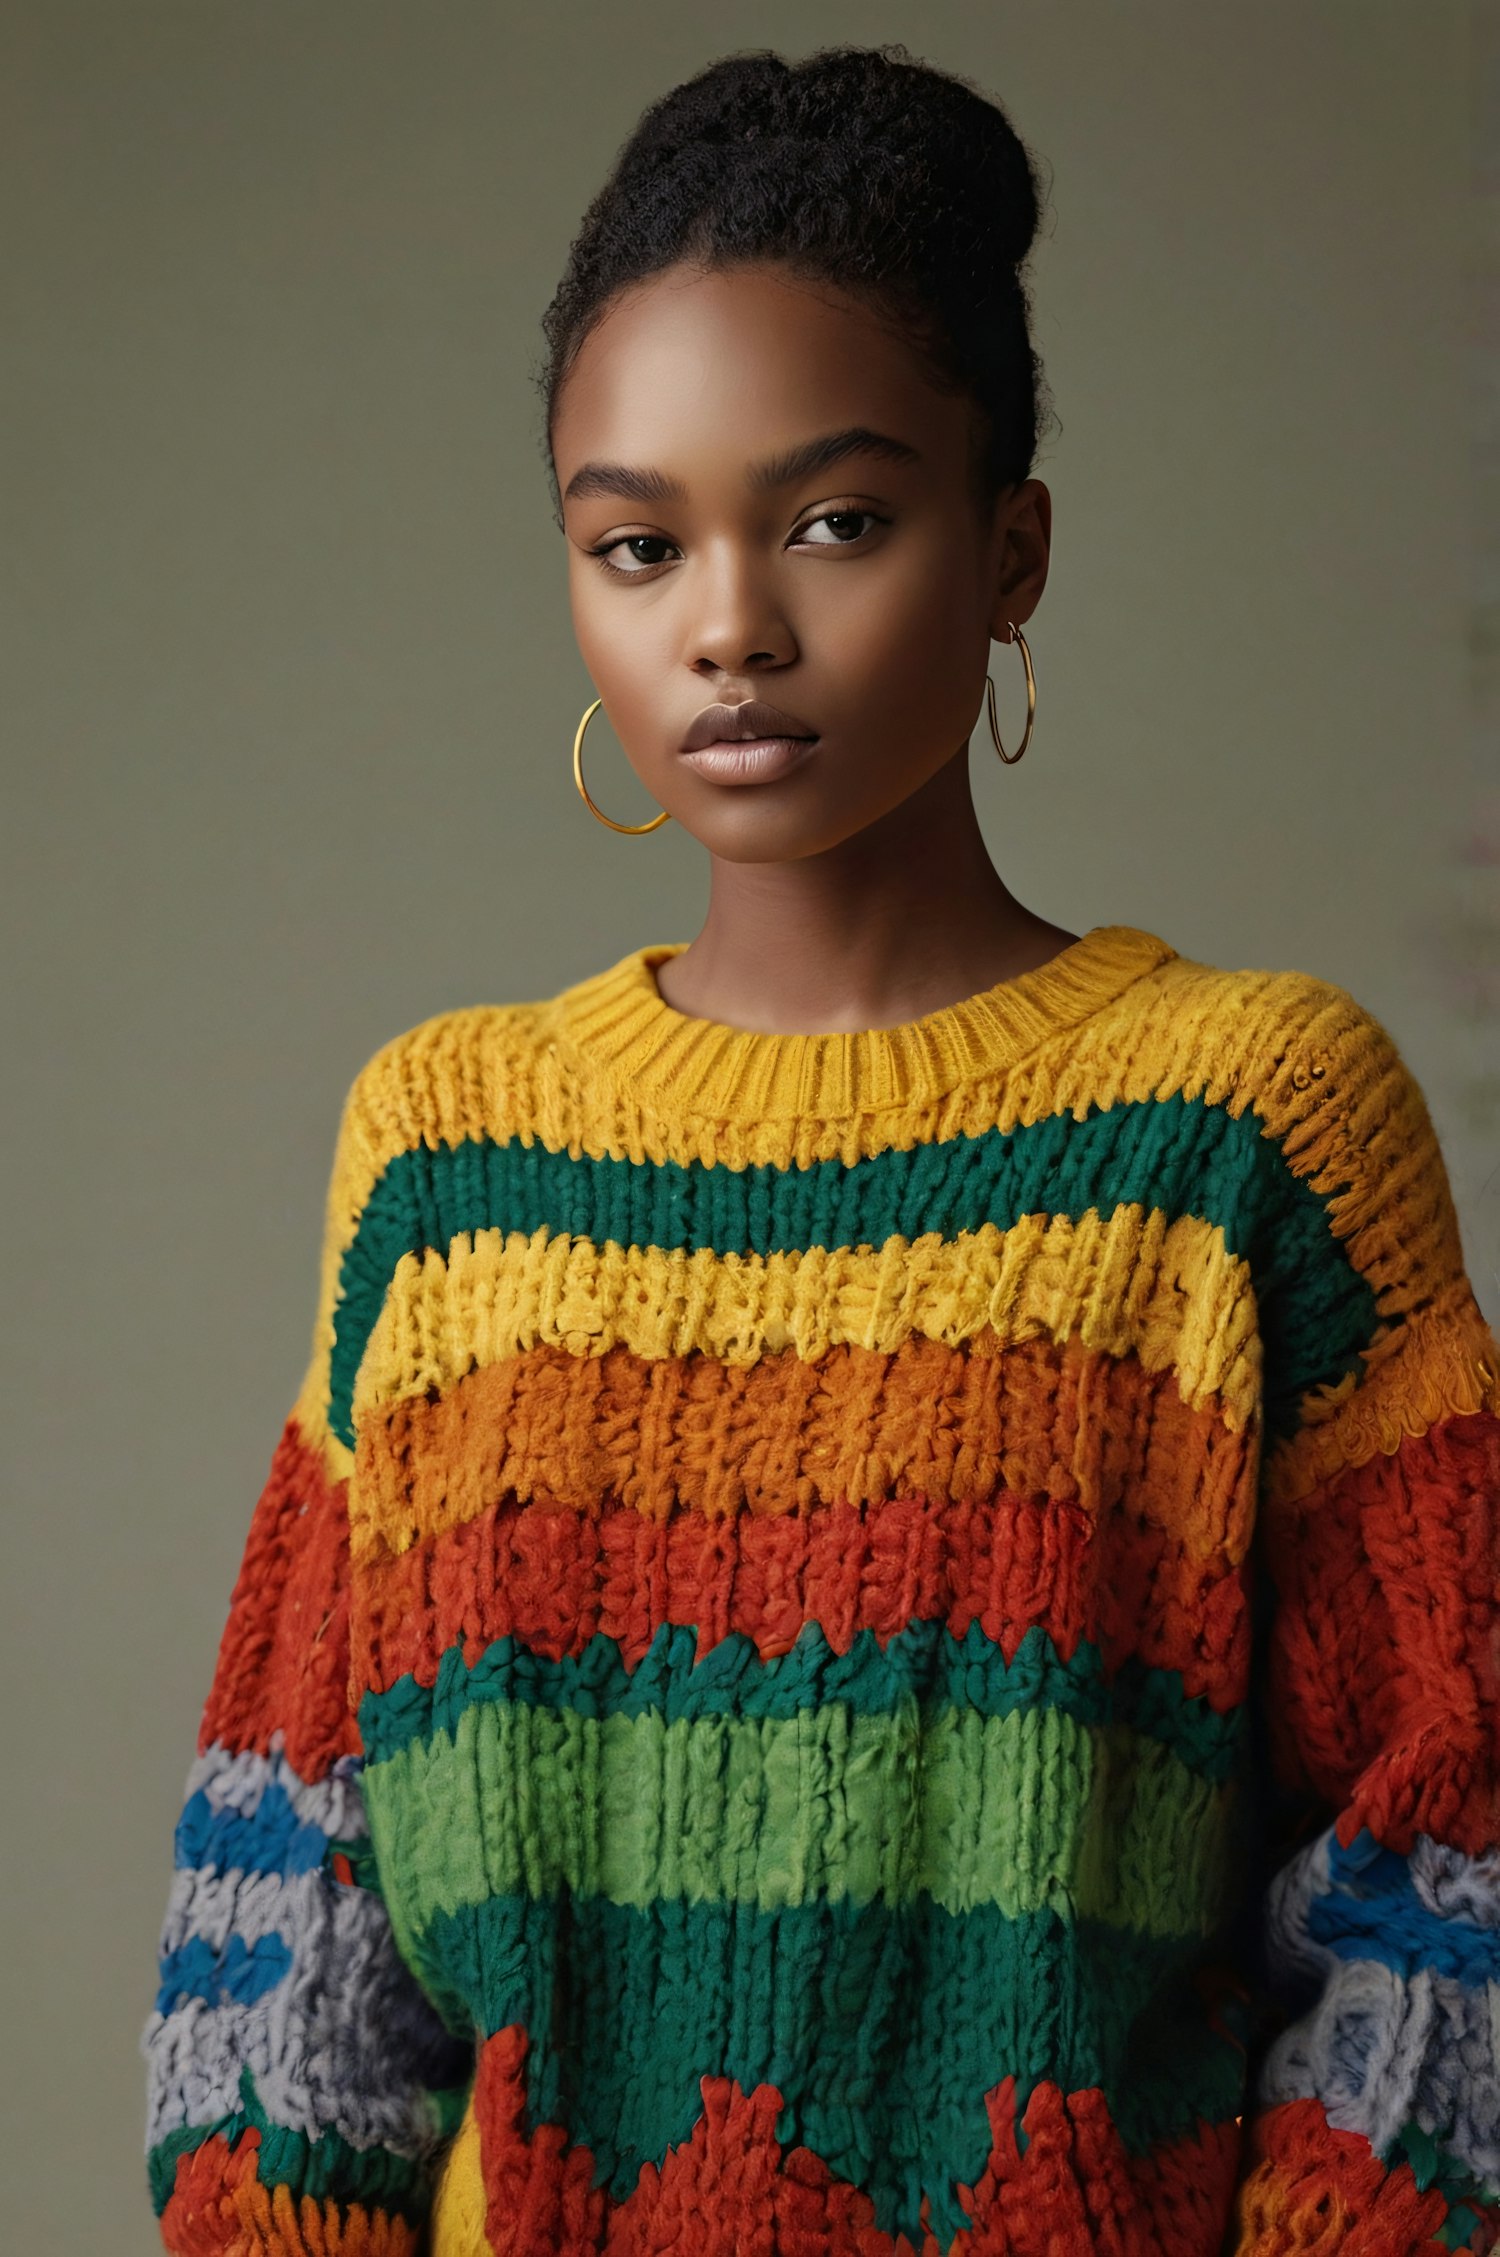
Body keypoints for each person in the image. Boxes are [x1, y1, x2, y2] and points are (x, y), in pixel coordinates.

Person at [139, 41, 1500, 2257]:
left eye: (837, 518)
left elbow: (1455, 1864)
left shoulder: (1247, 1126)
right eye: (636, 541)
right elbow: (284, 1923)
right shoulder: (449, 1150)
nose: (730, 623)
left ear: (1013, 545)